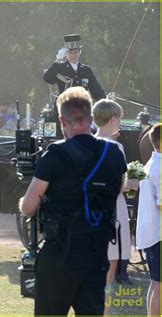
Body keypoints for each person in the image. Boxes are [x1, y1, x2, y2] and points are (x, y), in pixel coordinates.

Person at [19, 87, 126, 315]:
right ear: (90, 118)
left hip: (60, 253)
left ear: (62, 120)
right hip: (97, 253)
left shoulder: (56, 154)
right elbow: (117, 191)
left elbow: (28, 208)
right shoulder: (114, 154)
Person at [91, 99, 138, 314]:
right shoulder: (115, 147)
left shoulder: (87, 144)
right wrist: (135, 180)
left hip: (92, 211)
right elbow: (120, 185)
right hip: (112, 212)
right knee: (109, 267)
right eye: (118, 118)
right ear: (112, 119)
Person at [136, 123, 161, 317]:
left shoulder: (151, 164)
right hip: (159, 235)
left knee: (156, 283)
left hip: (152, 233)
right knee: (159, 285)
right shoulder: (160, 167)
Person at [43, 34, 106, 102]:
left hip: (81, 106)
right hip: (63, 106)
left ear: (80, 52)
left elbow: (96, 89)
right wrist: (58, 60)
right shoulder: (59, 67)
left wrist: (104, 101)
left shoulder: (85, 69)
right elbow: (48, 79)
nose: (73, 55)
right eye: (70, 52)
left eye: (76, 52)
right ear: (65, 54)